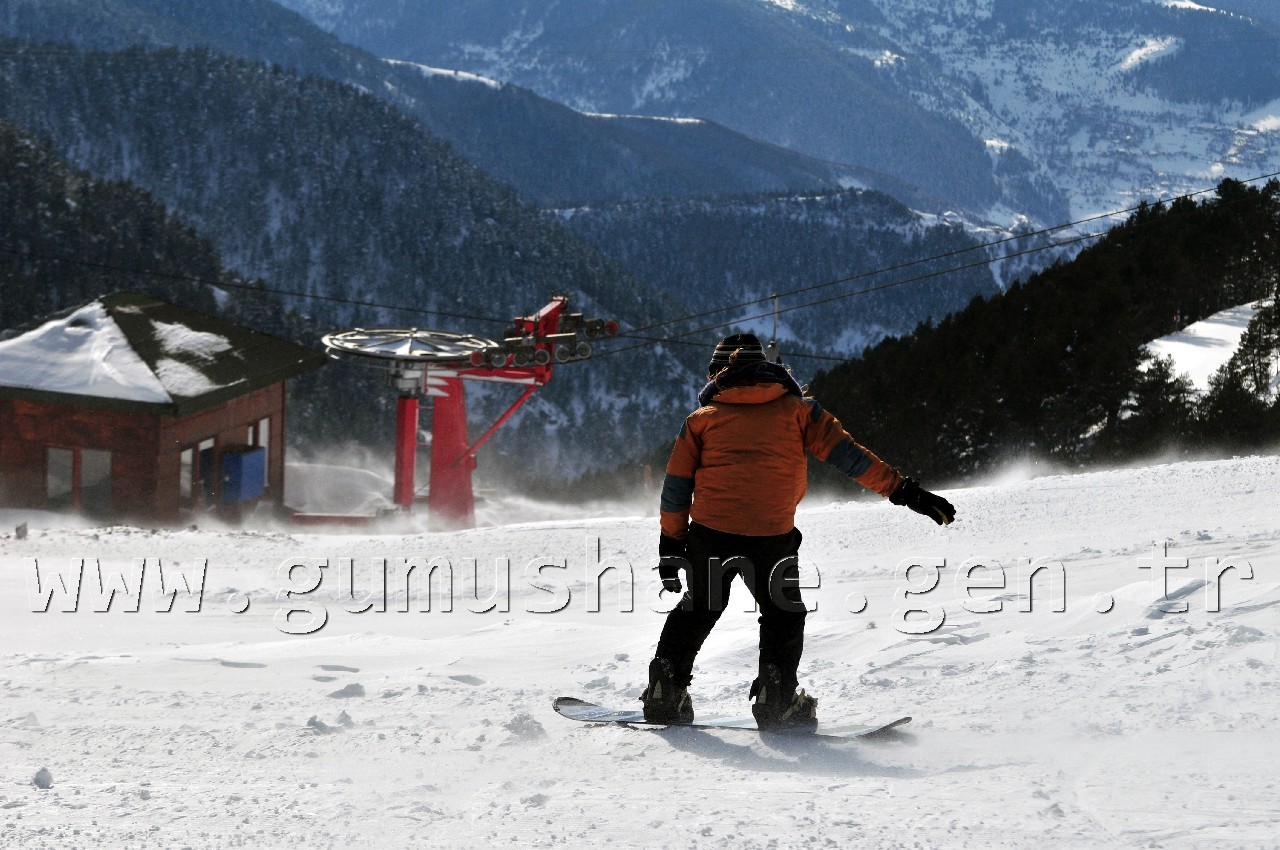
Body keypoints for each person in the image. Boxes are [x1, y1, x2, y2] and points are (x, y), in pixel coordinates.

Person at [641, 333, 955, 729]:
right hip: (771, 535)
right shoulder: (800, 412)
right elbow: (850, 458)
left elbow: (676, 489)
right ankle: (777, 699)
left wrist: (670, 544)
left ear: (717, 375)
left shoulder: (701, 421)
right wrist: (902, 490)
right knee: (782, 613)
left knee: (699, 607)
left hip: (710, 533)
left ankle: (664, 690)